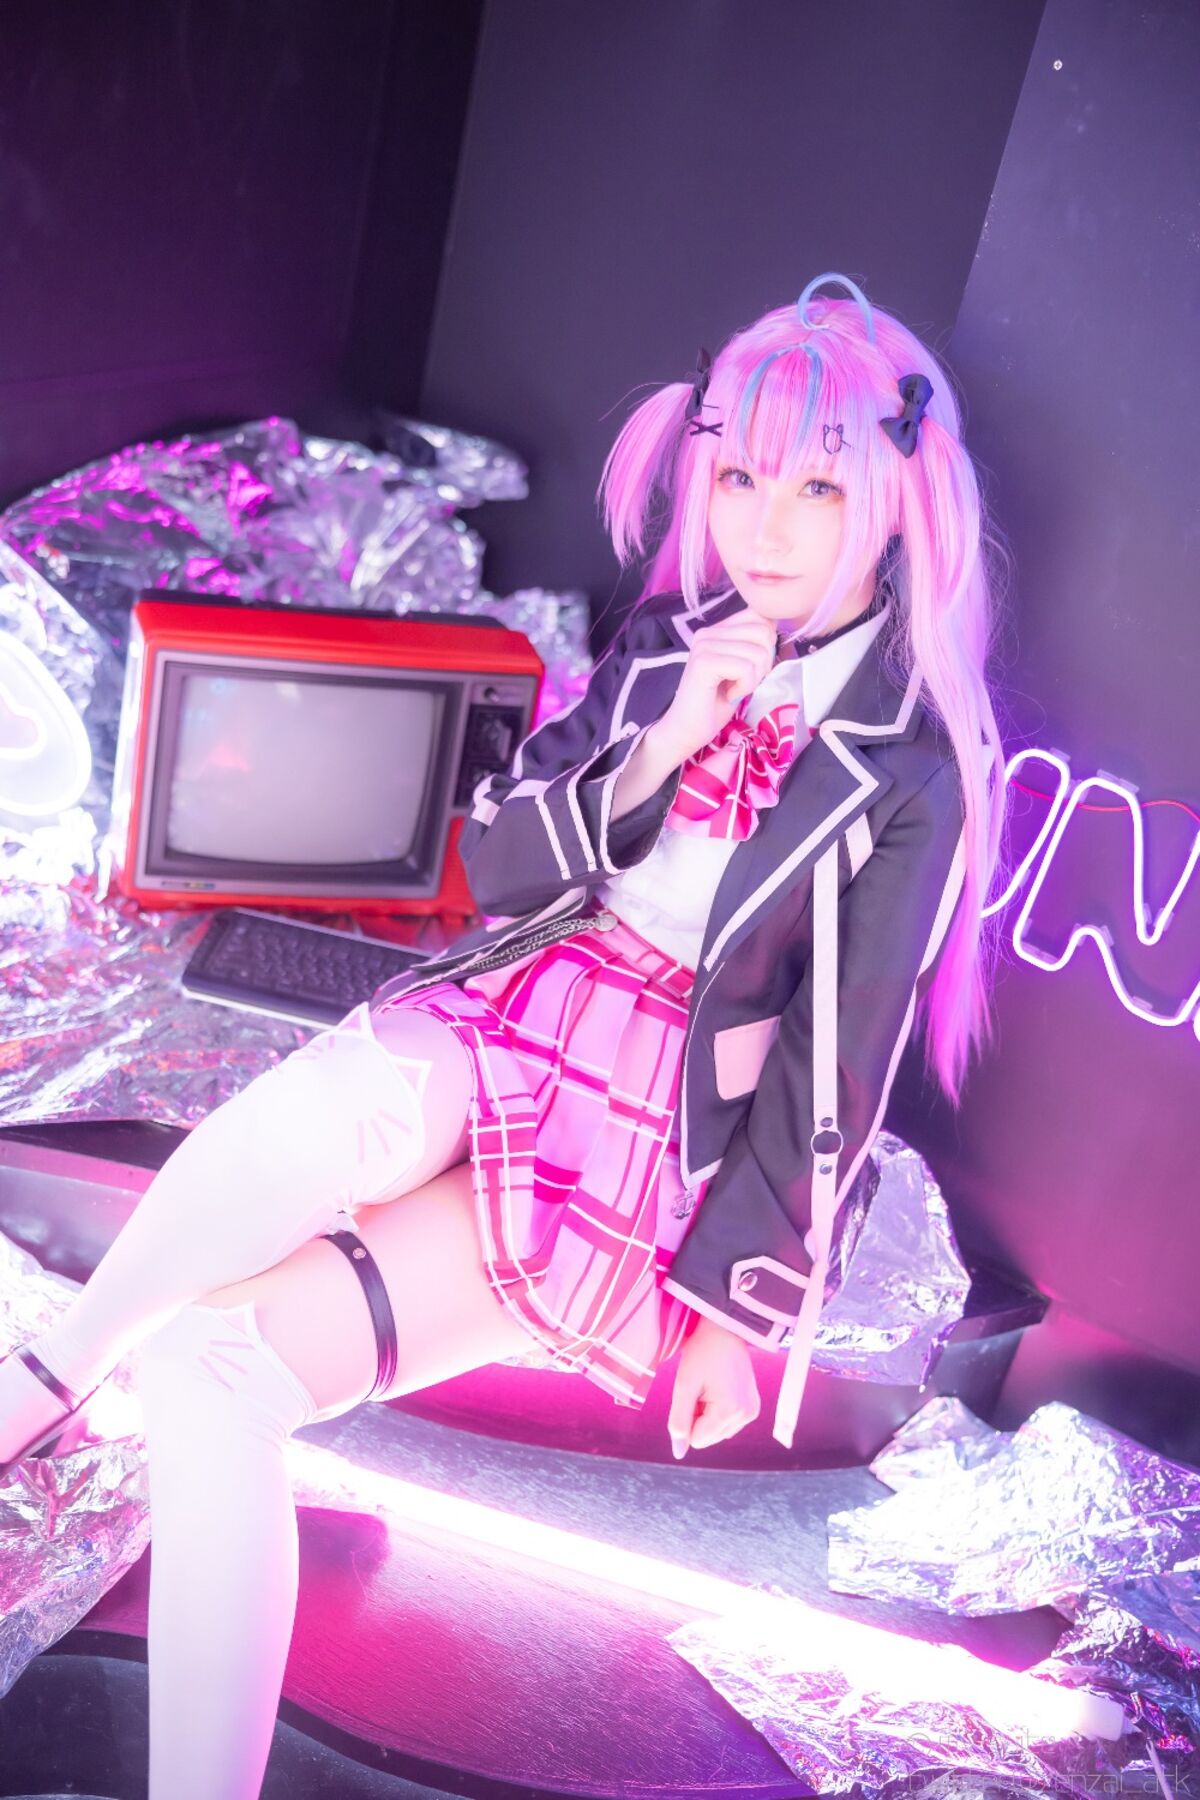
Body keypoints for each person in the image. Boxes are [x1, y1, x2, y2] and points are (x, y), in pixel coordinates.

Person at [0, 272, 1007, 1799]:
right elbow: (499, 866)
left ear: (895, 501)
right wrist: (661, 746)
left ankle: (74, 1425)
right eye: (741, 478)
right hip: (521, 1010)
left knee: (219, 1366)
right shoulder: (669, 642)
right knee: (297, 1166)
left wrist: (737, 1310)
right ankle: (61, 1370)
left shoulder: (909, 768)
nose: (769, 527)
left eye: (817, 487)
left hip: (654, 1125)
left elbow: (835, 1068)